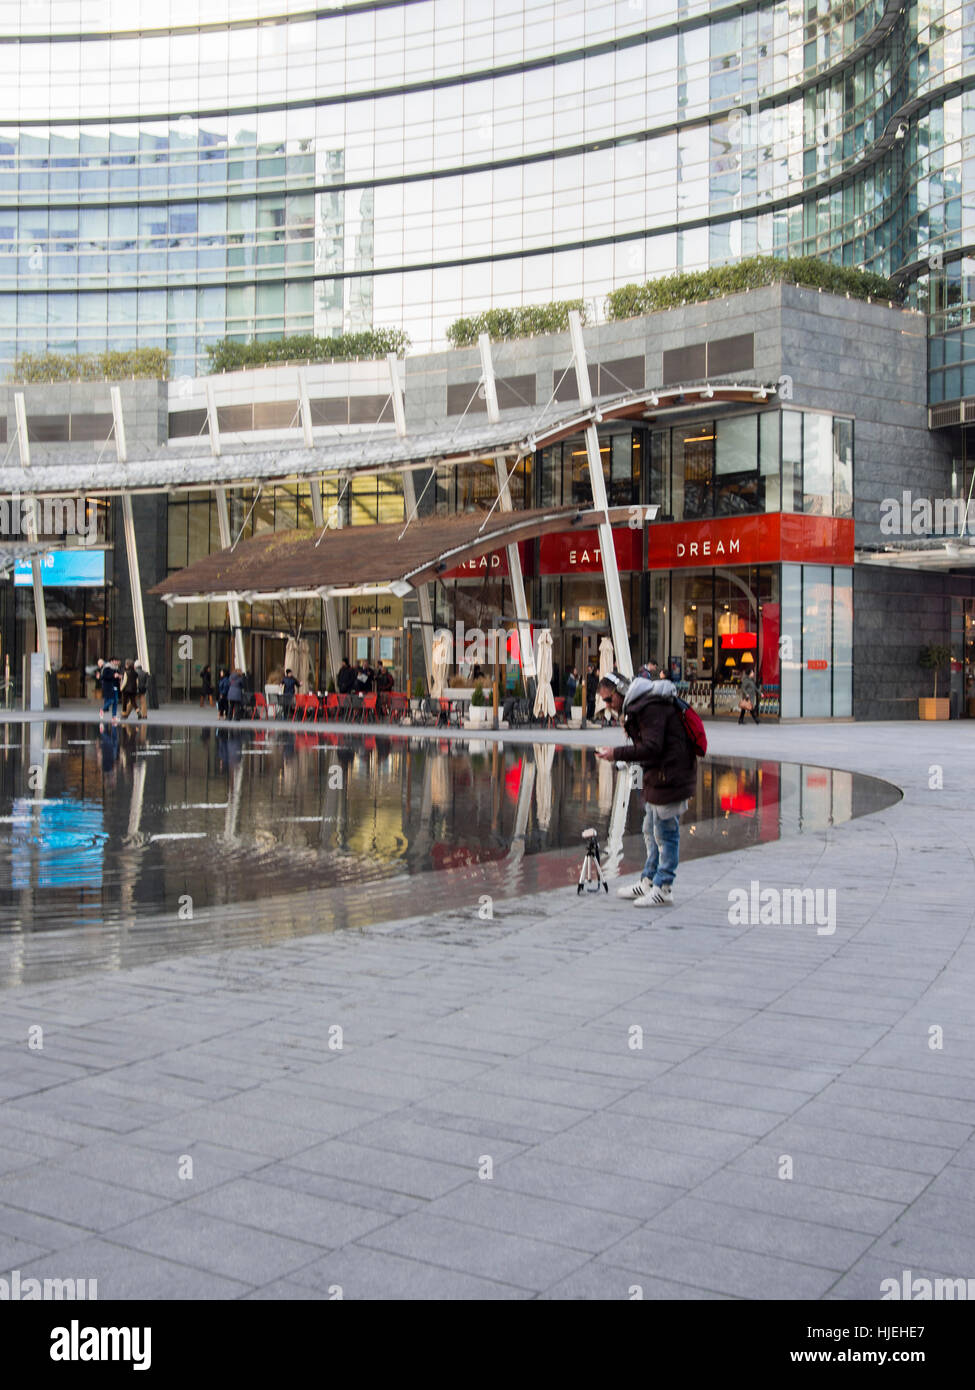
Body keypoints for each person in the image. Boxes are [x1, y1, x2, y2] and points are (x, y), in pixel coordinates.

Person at [596, 663, 699, 908]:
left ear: (620, 691)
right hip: (660, 775)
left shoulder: (650, 707)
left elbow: (653, 747)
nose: (608, 706)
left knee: (666, 832)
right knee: (649, 828)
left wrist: (617, 753)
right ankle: (649, 880)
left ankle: (664, 887)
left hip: (671, 775)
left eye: (609, 700)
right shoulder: (641, 705)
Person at [100, 657, 120, 724]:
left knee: (116, 701)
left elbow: (116, 677)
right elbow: (104, 677)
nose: (116, 662)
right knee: (111, 700)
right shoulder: (107, 668)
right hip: (109, 687)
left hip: (115, 687)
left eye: (117, 661)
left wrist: (119, 676)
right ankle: (102, 709)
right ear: (111, 661)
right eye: (115, 661)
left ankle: (114, 716)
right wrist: (113, 676)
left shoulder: (116, 668)